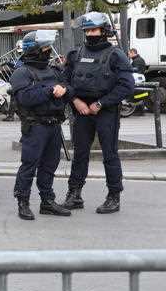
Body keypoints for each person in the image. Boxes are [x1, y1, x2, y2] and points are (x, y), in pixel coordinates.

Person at [61, 12, 135, 214]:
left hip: (105, 111)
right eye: (87, 31)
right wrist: (75, 101)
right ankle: (74, 194)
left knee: (110, 155)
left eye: (94, 30)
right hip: (81, 110)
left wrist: (101, 103)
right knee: (80, 155)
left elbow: (127, 85)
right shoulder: (76, 54)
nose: (90, 34)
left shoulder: (116, 55)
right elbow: (64, 81)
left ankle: (114, 196)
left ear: (104, 31)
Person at [9, 30, 73, 220]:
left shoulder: (54, 70)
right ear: (34, 50)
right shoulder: (22, 72)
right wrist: (50, 91)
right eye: (45, 48)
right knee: (29, 165)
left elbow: (70, 88)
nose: (48, 51)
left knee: (49, 165)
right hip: (35, 126)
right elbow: (25, 98)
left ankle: (47, 201)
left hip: (54, 125)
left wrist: (65, 90)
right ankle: (23, 202)